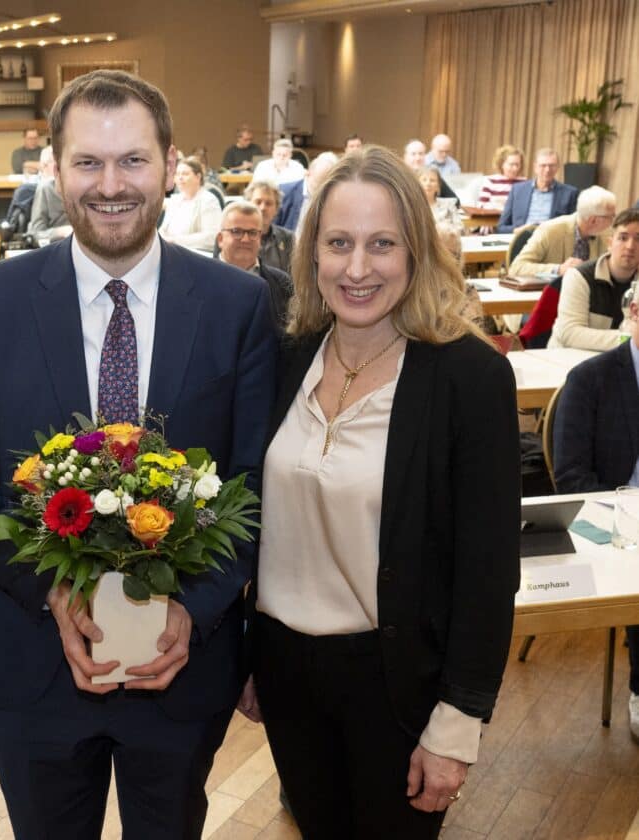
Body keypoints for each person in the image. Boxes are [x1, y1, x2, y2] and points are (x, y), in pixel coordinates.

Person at [0, 68, 276, 840]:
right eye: (88, 161)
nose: (111, 184)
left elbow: (257, 486)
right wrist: (51, 591)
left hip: (181, 666)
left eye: (133, 161)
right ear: (53, 169)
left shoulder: (235, 305)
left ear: (169, 164)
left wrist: (197, 608)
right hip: (29, 659)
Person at [238, 146, 519, 838]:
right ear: (312, 255)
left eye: (381, 244)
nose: (357, 268)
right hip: (286, 672)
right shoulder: (287, 357)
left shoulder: (467, 379)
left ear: (417, 252)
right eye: (338, 243)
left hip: (395, 685)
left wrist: (458, 722)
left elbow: (486, 574)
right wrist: (246, 656)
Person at [552, 284, 639, 739]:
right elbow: (571, 478)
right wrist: (623, 522)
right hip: (612, 521)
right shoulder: (591, 380)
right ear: (635, 313)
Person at [549, 207, 639, 350]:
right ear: (610, 244)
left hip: (619, 362)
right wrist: (628, 339)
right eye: (623, 238)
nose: (630, 246)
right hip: (567, 360)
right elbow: (569, 333)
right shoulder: (579, 276)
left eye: (638, 239)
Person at [215, 199, 293, 329]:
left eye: (252, 233)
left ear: (260, 239)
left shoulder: (281, 283)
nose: (245, 239)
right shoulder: (200, 281)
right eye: (236, 231)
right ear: (220, 239)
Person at [508, 185, 616, 278]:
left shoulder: (604, 236)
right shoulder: (550, 230)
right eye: (610, 217)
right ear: (593, 220)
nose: (613, 222)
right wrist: (558, 269)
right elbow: (517, 268)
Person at [496, 148, 578, 233]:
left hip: (551, 241)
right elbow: (501, 227)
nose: (547, 170)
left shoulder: (569, 193)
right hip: (521, 238)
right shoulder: (517, 190)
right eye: (543, 165)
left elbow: (574, 228)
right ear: (535, 167)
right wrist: (517, 230)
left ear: (557, 167)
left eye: (551, 165)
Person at [158, 156, 223, 251]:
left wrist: (175, 240)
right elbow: (163, 231)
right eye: (177, 174)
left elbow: (212, 237)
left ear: (198, 177)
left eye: (185, 174)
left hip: (197, 254)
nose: (180, 178)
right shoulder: (175, 200)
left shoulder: (208, 200)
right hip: (170, 251)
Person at [277, 151, 339, 234]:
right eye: (318, 184)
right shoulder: (285, 192)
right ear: (307, 173)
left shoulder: (334, 197)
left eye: (327, 186)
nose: (321, 190)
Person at [248, 179, 294, 274]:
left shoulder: (287, 238)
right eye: (258, 202)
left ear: (276, 209)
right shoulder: (233, 235)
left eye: (268, 203)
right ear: (248, 204)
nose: (263, 208)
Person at [26, 145, 70, 239]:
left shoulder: (76, 186)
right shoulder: (45, 188)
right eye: (56, 162)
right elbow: (36, 232)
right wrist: (61, 231)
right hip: (54, 244)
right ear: (44, 165)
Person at [475, 144, 525, 211]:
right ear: (501, 164)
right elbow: (481, 206)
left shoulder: (524, 183)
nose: (515, 168)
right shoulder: (490, 181)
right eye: (511, 164)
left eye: (517, 164)